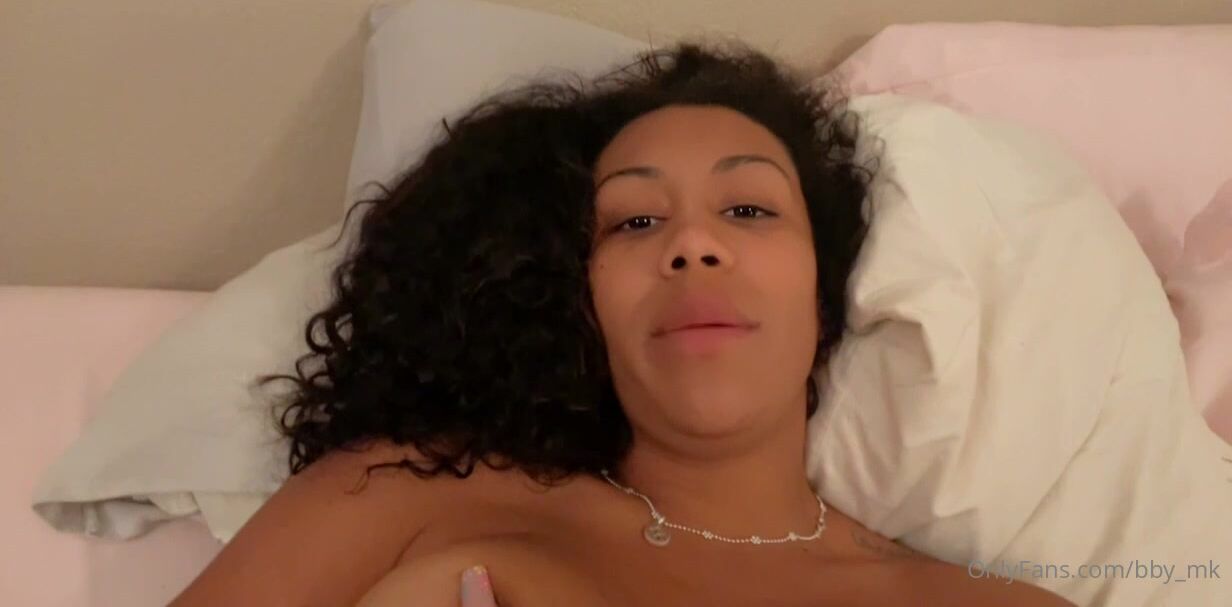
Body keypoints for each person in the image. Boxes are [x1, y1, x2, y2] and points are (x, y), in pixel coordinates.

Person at [169, 40, 1076, 606]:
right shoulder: (402, 492)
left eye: (749, 210)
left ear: (824, 294)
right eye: (635, 221)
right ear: (572, 290)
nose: (694, 244)